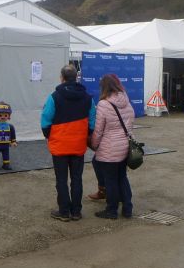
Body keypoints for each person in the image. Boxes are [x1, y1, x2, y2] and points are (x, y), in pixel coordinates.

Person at [41, 65, 96, 222]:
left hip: (59, 145)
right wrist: (87, 134)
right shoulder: (88, 97)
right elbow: (93, 120)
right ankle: (76, 212)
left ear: (62, 78)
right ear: (76, 78)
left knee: (61, 180)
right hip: (78, 145)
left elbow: (46, 119)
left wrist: (49, 135)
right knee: (77, 178)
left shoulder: (54, 97)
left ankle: (64, 212)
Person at [90, 74, 135, 219]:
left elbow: (98, 130)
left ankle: (111, 210)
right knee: (122, 177)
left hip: (109, 148)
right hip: (124, 146)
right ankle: (127, 208)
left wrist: (94, 145)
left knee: (110, 180)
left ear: (104, 87)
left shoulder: (104, 104)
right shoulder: (126, 101)